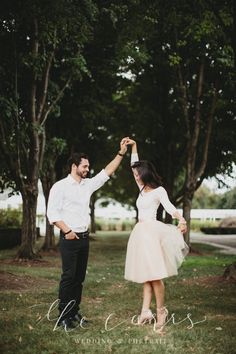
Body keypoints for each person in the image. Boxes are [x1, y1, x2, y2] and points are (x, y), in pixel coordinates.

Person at [47, 138, 129, 330]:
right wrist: (67, 231)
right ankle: (63, 316)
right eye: (84, 166)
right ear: (74, 166)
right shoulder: (60, 187)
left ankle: (74, 312)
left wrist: (121, 153)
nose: (87, 169)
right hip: (69, 238)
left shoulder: (88, 185)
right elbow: (52, 213)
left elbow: (107, 171)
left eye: (88, 166)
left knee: (79, 279)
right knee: (68, 277)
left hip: (83, 239)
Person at [124, 139, 189, 330]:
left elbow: (170, 208)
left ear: (144, 174)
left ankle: (161, 311)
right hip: (140, 233)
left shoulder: (159, 191)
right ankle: (145, 311)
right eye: (135, 174)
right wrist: (133, 147)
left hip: (152, 233)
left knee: (155, 275)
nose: (135, 177)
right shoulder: (141, 189)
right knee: (147, 274)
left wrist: (182, 220)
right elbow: (132, 165)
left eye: (138, 174)